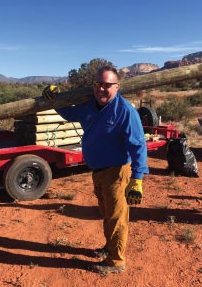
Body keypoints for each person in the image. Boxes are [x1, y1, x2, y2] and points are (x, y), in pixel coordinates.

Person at [44, 65, 148, 273]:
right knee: (106, 212)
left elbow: (138, 146)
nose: (102, 89)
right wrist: (53, 100)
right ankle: (110, 248)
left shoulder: (125, 111)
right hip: (98, 171)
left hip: (117, 171)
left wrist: (137, 179)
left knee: (116, 217)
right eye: (98, 84)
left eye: (107, 85)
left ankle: (116, 261)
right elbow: (69, 113)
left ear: (117, 87)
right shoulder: (89, 107)